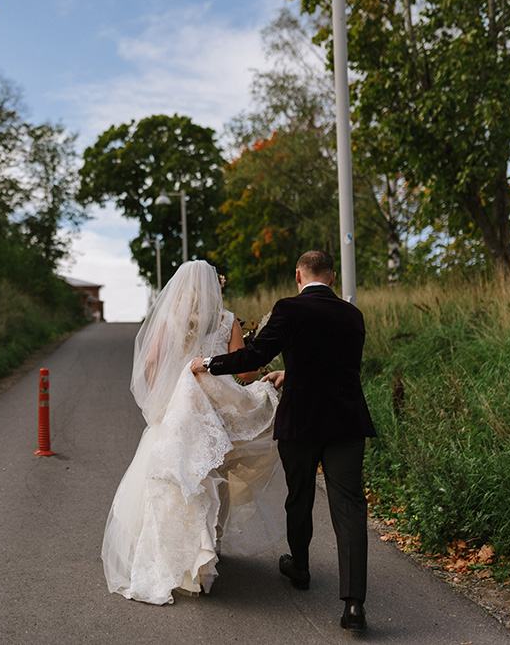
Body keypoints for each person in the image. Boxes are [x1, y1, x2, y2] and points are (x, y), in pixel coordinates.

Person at [191, 249, 376, 631]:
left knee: (301, 494)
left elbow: (253, 356)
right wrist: (288, 375)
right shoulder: (352, 315)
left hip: (302, 420)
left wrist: (208, 365)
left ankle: (301, 568)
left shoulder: (289, 309)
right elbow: (333, 368)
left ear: (298, 275)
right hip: (347, 422)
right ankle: (354, 604)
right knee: (351, 507)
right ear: (332, 276)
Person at [101, 260, 287, 605]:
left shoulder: (171, 318)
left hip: (176, 411)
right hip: (214, 417)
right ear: (215, 287)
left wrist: (161, 398)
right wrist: (259, 371)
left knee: (170, 480)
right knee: (212, 476)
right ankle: (207, 550)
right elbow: (243, 371)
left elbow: (151, 361)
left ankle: (179, 554)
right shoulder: (226, 319)